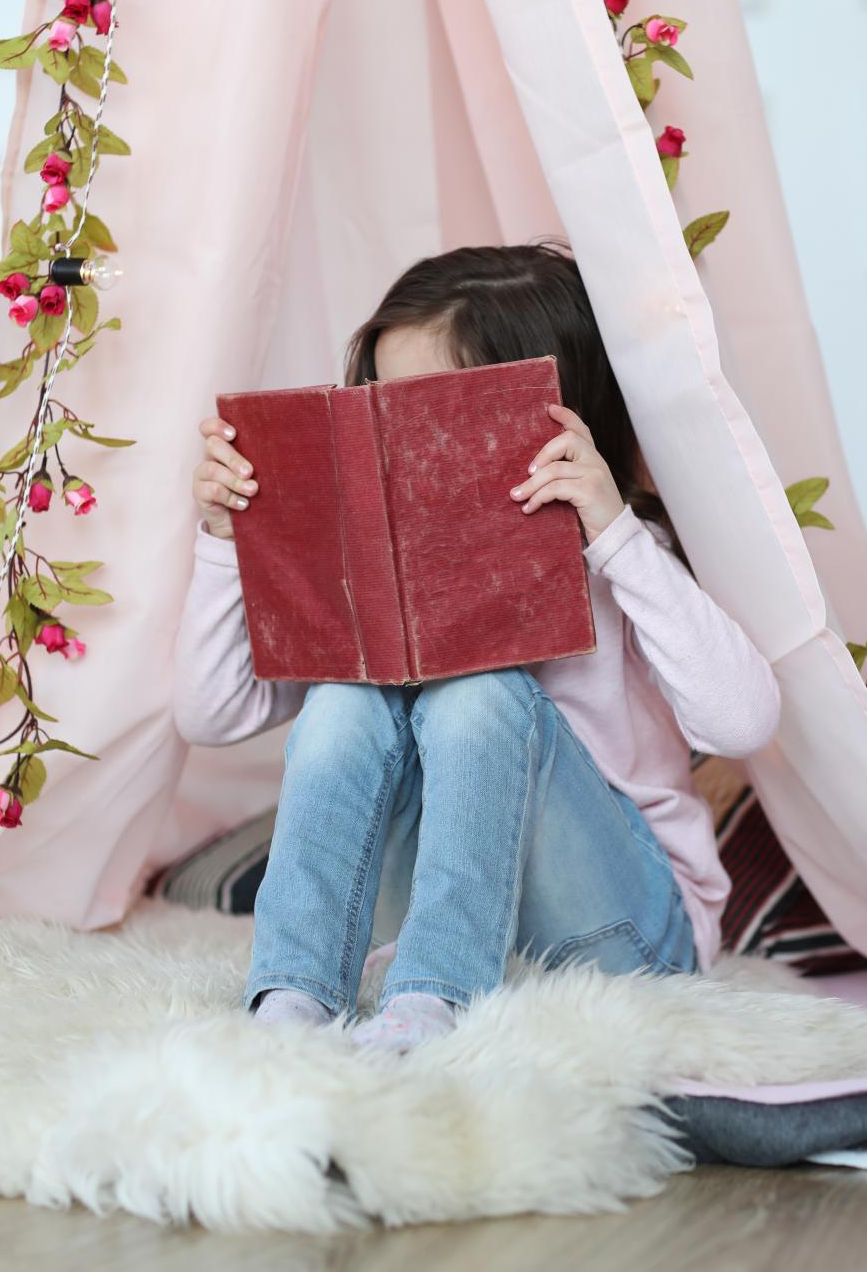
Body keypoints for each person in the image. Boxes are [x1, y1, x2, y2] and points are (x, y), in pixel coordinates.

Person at [174, 242, 781, 1052]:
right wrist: (225, 538)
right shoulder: (363, 569)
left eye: (431, 417)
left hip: (622, 937)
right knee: (346, 696)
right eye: (383, 408)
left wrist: (614, 535)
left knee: (478, 691)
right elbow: (211, 713)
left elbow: (743, 722)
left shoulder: (624, 561)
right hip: (419, 915)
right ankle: (293, 998)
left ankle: (434, 1000)